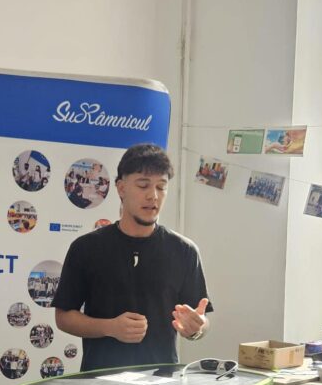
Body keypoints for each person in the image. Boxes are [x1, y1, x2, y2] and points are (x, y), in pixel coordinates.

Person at [53, 143, 211, 372]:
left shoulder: (184, 251)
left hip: (162, 383)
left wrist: (197, 329)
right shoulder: (86, 248)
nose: (153, 196)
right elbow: (64, 317)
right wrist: (110, 327)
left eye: (161, 187)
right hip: (99, 382)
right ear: (121, 188)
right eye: (143, 185)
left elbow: (201, 321)